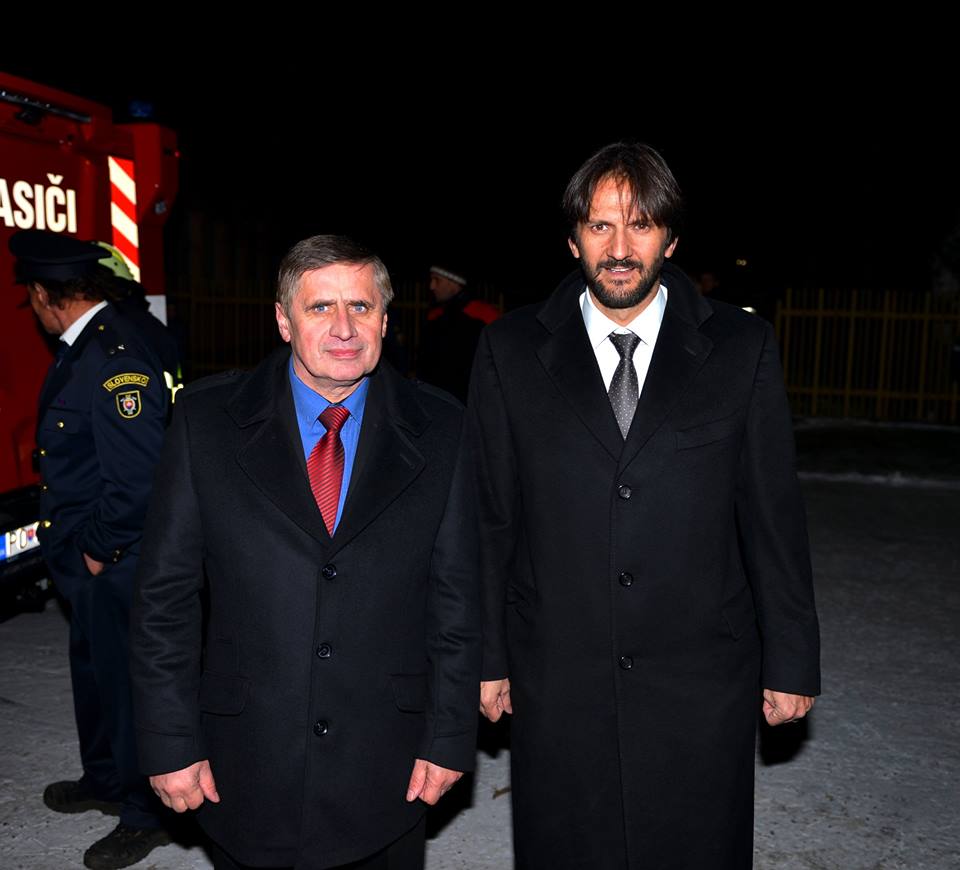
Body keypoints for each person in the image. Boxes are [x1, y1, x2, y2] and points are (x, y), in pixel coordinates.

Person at [469, 142, 821, 869]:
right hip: (559, 674)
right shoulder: (510, 349)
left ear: (672, 238)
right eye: (600, 226)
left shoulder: (741, 347)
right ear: (573, 240)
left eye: (641, 224)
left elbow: (772, 514)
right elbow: (490, 516)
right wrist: (485, 653)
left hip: (701, 677)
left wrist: (791, 656)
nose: (620, 248)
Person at [130, 235, 479, 869]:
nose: (344, 328)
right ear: (284, 320)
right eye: (320, 308)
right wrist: (169, 740)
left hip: (388, 769)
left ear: (384, 320)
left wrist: (450, 736)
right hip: (245, 763)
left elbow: (456, 601)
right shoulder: (207, 424)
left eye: (361, 307)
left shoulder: (443, 429)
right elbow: (164, 600)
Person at [9, 230, 171, 869]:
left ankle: (145, 812)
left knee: (128, 688)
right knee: (94, 671)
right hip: (84, 554)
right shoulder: (97, 341)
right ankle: (104, 777)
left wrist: (98, 550)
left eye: (32, 298)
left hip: (113, 555)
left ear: (45, 295)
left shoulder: (114, 355)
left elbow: (138, 477)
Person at [417, 264, 499, 401]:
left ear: (453, 283)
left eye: (437, 280)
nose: (432, 286)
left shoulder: (485, 316)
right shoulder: (434, 316)